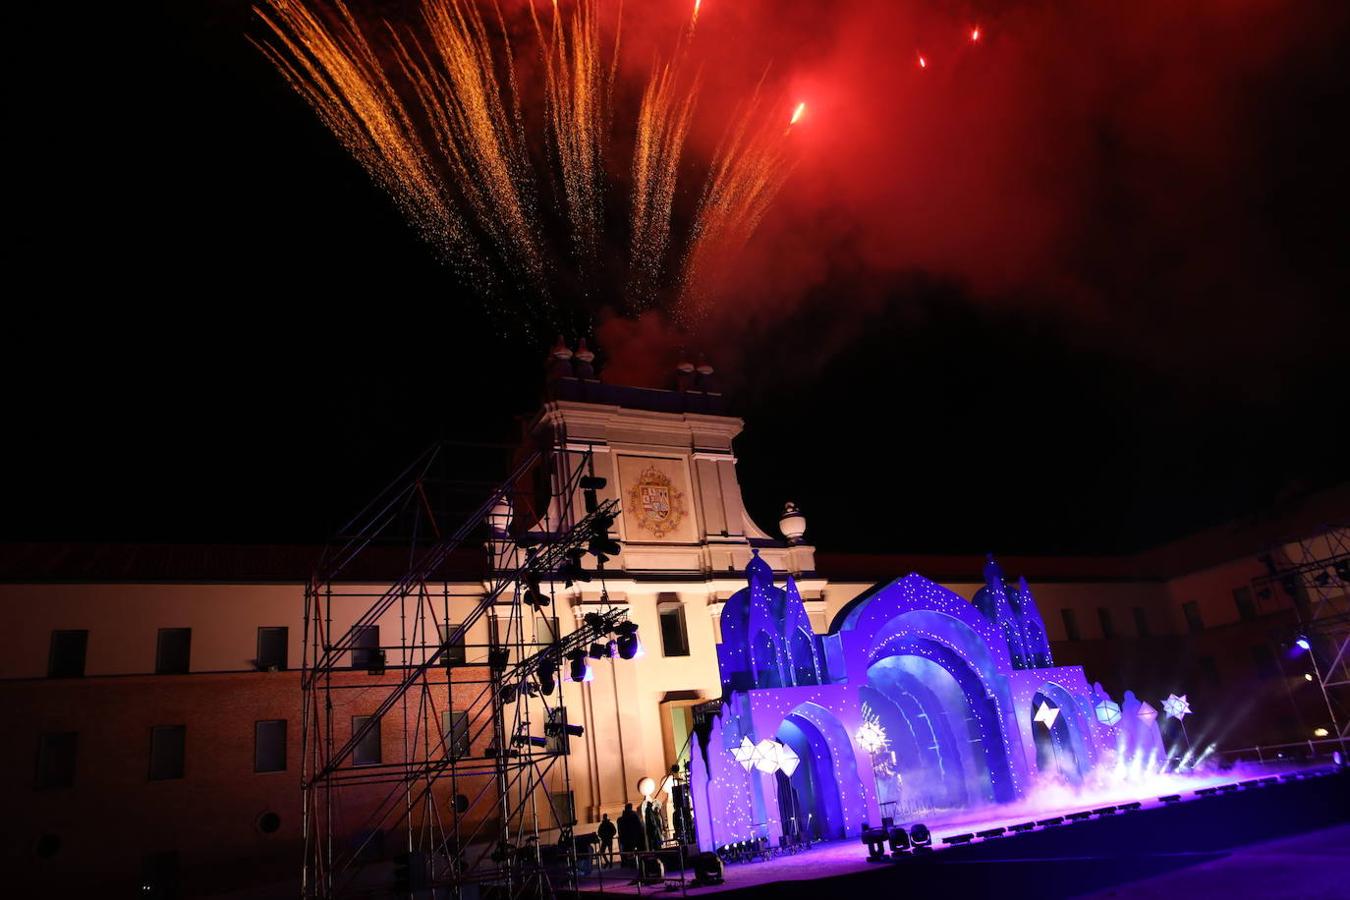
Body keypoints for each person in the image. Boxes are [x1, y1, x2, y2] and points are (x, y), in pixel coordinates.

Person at [617, 803, 643, 867]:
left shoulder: (621, 819)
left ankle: (628, 863)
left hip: (625, 838)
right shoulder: (634, 815)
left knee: (627, 851)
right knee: (636, 851)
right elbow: (639, 825)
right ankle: (636, 863)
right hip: (634, 837)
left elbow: (620, 830)